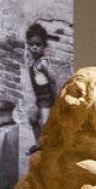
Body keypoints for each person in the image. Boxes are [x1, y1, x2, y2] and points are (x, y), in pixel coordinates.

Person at [24, 23, 56, 153]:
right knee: (32, 119)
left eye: (38, 44)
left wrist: (56, 100)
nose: (34, 47)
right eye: (31, 44)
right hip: (40, 99)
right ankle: (39, 145)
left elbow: (52, 81)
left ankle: (48, 152)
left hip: (47, 99)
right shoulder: (32, 60)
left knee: (45, 125)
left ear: (44, 45)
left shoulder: (43, 63)